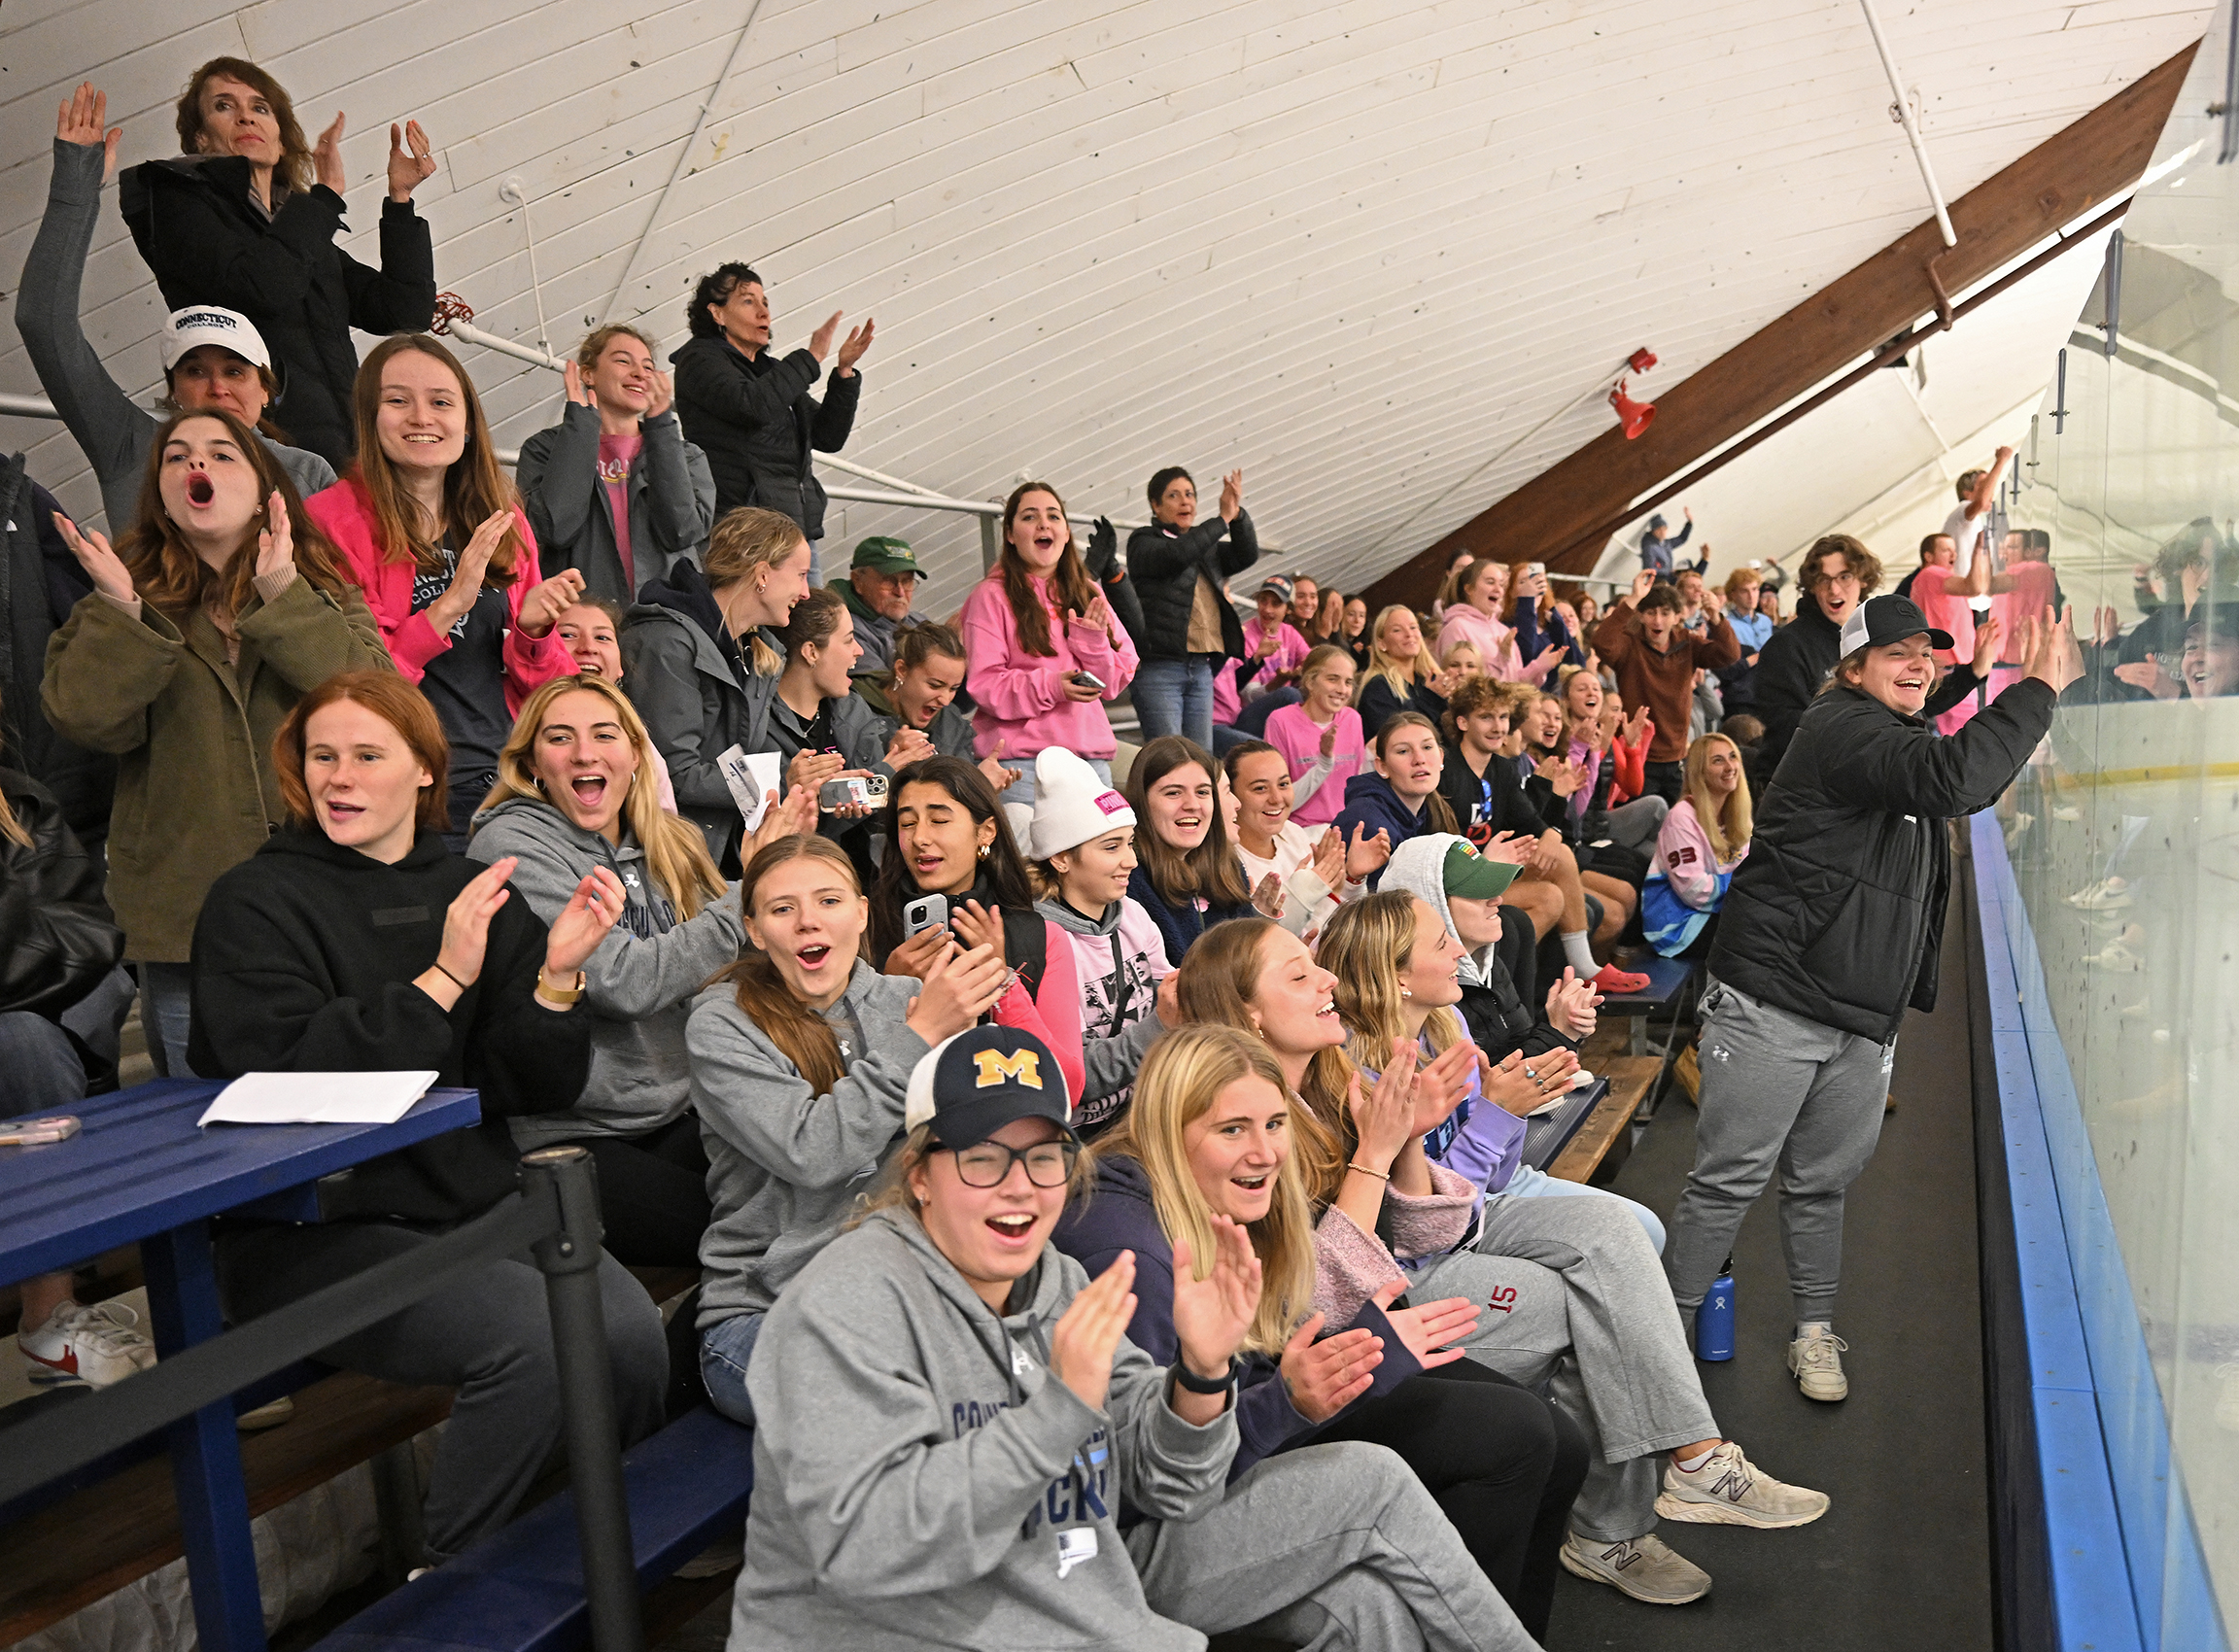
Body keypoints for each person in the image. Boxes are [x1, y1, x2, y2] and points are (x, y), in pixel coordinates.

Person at [733, 1021, 1541, 1652]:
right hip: (921, 1624)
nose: (1019, 1189)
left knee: (1362, 1608)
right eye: (983, 1159)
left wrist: (1199, 1375)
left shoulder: (1052, 1283)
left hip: (1077, 1576)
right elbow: (874, 1553)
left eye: (1044, 1157)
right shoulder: (844, 1307)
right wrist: (1057, 1413)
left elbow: (1172, 1489)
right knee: (1384, 1485)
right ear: (919, 1174)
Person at [1177, 916, 1825, 1608]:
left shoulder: (1345, 1075)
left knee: (1612, 1246)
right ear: (1245, 1011)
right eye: (1300, 975)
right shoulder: (1249, 1120)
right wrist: (1396, 1145)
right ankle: (1641, 1506)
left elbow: (1432, 1226)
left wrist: (1408, 1142)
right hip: (1341, 1337)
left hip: (1401, 1279)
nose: (1326, 979)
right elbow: (1318, 1300)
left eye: (1320, 967)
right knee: (1596, 1297)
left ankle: (1671, 1477)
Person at [188, 670, 664, 1569]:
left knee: (632, 1337)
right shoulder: (252, 902)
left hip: (473, 1202)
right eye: (322, 756)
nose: (340, 777)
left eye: (368, 755)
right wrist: (443, 980)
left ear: (422, 771)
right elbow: (288, 1071)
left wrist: (558, 980)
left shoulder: (472, 885)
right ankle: (453, 1585)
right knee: (536, 1345)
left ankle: (595, 1545)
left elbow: (532, 1084)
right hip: (315, 1227)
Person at [1667, 595, 2079, 1404]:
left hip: (1859, 1010)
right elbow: (1954, 778)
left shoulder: (1887, 725)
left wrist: (1971, 674)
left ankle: (1814, 1330)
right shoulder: (1840, 728)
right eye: (1897, 654)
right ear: (1852, 670)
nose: (1917, 665)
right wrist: (2037, 687)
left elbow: (1925, 734)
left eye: (1925, 652)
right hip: (1776, 1000)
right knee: (1729, 1181)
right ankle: (1656, 1345)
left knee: (1822, 1182)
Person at [1055, 1023, 1589, 1644]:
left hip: (1260, 1416)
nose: (1264, 1152)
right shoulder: (1126, 1255)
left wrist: (1356, 1352)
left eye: (1275, 1124)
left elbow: (1278, 1333)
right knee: (1506, 1438)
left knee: (1561, 1445)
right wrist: (1294, 1397)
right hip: (1161, 1519)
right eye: (1232, 1129)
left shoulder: (1230, 1189)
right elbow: (1153, 1479)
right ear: (1168, 1132)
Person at [43, 408, 388, 1077]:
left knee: (343, 1115)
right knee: (213, 1124)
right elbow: (83, 719)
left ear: (266, 490)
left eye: (222, 454)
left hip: (328, 906)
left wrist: (280, 592)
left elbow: (374, 704)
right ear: (163, 494)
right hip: (187, 924)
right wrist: (123, 614)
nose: (195, 465)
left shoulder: (320, 588)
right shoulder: (118, 600)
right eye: (177, 457)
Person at [689, 833, 1006, 1422]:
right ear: (755, 930)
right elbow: (812, 1152)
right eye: (783, 909)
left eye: (829, 901)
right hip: (771, 1312)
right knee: (921, 1408)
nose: (809, 922)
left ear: (862, 914)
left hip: (910, 1292)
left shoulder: (910, 999)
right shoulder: (721, 1024)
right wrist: (919, 1038)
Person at [466, 674, 770, 1266]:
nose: (585, 753)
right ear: (531, 764)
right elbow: (625, 983)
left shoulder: (668, 840)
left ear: (635, 756)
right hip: (572, 1136)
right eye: (560, 738)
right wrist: (749, 896)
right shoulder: (512, 849)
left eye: (605, 735)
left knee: (807, 1197)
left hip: (680, 1106)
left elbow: (730, 960)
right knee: (744, 1240)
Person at [23, 86, 337, 536]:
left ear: (266, 390)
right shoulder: (131, 447)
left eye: (235, 371)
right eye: (194, 371)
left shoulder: (308, 472)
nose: (216, 386)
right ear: (173, 391)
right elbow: (43, 322)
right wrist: (75, 189)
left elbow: (345, 595)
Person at [306, 334, 582, 843]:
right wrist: (450, 603)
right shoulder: (331, 521)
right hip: (403, 793)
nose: (421, 417)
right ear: (368, 418)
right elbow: (349, 684)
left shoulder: (504, 520)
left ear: (469, 422)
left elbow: (551, 690)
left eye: (440, 402)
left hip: (509, 785)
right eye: (397, 400)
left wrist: (534, 633)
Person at [119, 58, 437, 466]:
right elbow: (264, 288)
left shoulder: (300, 230)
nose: (246, 116)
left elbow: (404, 311)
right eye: (224, 106)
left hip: (350, 452)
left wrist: (400, 202)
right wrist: (324, 198)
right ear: (200, 138)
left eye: (260, 107)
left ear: (281, 141)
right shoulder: (174, 198)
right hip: (261, 454)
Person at [869, 754, 1169, 1109]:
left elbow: (1068, 1085)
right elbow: (852, 1079)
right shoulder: (866, 927)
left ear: (986, 831)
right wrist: (888, 991)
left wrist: (1002, 983)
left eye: (938, 820)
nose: (920, 838)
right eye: (906, 824)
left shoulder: (1040, 935)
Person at [2, 753, 142, 1391]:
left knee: (28, 1041)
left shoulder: (20, 803)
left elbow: (84, 934)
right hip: (28, 1001)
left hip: (29, 1015)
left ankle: (49, 1316)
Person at [621, 505, 813, 869]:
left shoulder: (756, 652)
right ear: (762, 575)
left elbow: (741, 757)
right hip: (667, 854)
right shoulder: (668, 643)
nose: (806, 592)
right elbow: (673, 773)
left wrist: (809, 777)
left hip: (718, 848)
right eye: (801, 575)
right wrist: (778, 781)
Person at [670, 262, 871, 573]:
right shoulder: (698, 360)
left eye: (765, 302)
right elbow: (753, 405)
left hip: (795, 534)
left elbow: (828, 437)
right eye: (748, 301)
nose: (764, 312)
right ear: (717, 313)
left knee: (811, 622)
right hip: (743, 535)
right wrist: (811, 357)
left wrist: (844, 374)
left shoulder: (769, 371)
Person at [1753, 534, 1989, 778]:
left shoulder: (1874, 639)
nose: (1834, 589)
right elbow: (1788, 728)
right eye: (1823, 579)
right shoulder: (1786, 646)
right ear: (1812, 587)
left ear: (1863, 580)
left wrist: (1973, 672)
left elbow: (1918, 700)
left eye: (1844, 577)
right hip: (1809, 791)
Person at [1025, 748, 1174, 1135]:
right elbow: (1078, 1078)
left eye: (1129, 843)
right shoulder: (1038, 944)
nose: (1131, 861)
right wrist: (1163, 1023)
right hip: (1083, 1138)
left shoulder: (1133, 914)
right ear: (1060, 859)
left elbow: (1170, 991)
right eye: (1112, 847)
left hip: (1145, 1116)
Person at [959, 482, 1136, 807]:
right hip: (1023, 768)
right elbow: (985, 685)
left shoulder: (1089, 591)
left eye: (1053, 516)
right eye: (1029, 517)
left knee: (1106, 854)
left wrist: (1094, 644)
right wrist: (1053, 686)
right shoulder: (989, 596)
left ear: (1066, 532)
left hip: (1091, 762)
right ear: (1010, 535)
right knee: (1032, 858)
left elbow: (1115, 681)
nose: (1043, 524)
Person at [514, 325, 715, 604]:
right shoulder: (544, 449)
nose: (639, 373)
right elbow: (555, 529)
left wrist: (661, 426)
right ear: (588, 374)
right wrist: (580, 427)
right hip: (581, 622)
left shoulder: (687, 455)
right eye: (623, 360)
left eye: (648, 367)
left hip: (664, 624)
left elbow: (680, 532)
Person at [1128, 466, 1259, 747]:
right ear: (1155, 505)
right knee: (1169, 758)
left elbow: (1246, 554)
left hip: (1200, 667)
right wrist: (1221, 519)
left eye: (1189, 494)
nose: (1185, 501)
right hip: (1159, 668)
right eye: (1173, 495)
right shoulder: (1143, 542)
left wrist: (1236, 515)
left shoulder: (1205, 549)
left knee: (1200, 759)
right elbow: (1177, 555)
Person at [1593, 569, 1740, 803]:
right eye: (1650, 612)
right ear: (1640, 616)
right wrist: (1632, 599)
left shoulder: (1687, 642)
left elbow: (1729, 654)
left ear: (1676, 616)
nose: (1657, 620)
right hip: (1638, 755)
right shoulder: (1629, 645)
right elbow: (1602, 642)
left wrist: (1716, 618)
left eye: (1665, 613)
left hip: (1678, 756)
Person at [1224, 739, 1388, 936]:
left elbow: (1327, 929)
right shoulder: (1228, 864)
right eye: (1260, 788)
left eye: (1284, 784)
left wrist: (1350, 879)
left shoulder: (1292, 833)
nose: (1277, 798)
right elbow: (1262, 947)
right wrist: (1306, 893)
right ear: (1232, 796)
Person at [1122, 737, 1257, 962]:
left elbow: (1250, 962)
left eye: (1203, 792)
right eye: (1173, 793)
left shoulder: (1228, 865)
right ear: (1142, 802)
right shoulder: (1129, 877)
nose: (1192, 805)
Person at [854, 622, 1014, 788]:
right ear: (902, 670)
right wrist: (888, 757)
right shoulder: (852, 710)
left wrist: (980, 785)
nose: (945, 700)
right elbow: (849, 796)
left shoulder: (953, 724)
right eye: (935, 685)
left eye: (954, 689)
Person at [1641, 733, 1750, 959]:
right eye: (1717, 760)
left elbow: (1750, 869)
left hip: (1717, 913)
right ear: (1699, 772)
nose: (1730, 766)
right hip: (1678, 925)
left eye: (1733, 757)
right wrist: (1745, 885)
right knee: (1760, 936)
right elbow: (1694, 890)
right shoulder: (1682, 817)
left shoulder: (1737, 816)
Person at [1262, 643, 1367, 830]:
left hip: (1346, 826)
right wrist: (1323, 764)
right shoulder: (1280, 721)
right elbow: (1279, 802)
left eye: (1348, 682)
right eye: (1333, 679)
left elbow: (1357, 786)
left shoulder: (1353, 719)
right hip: (1300, 830)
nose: (1342, 690)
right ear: (1310, 682)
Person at [1213, 572, 1310, 736]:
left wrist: (1306, 672)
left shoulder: (1290, 633)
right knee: (1289, 694)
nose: (1267, 609)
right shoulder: (1244, 635)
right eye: (1263, 600)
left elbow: (1313, 661)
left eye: (1276, 603)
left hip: (1263, 715)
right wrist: (1279, 681)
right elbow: (1249, 695)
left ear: (1288, 609)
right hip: (1244, 716)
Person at [827, 534, 922, 675]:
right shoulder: (847, 629)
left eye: (907, 581)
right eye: (889, 581)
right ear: (858, 581)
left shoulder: (919, 621)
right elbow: (880, 692)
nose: (900, 592)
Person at [1356, 604, 1451, 740]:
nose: (1409, 634)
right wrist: (1431, 699)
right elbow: (1399, 740)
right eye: (1397, 630)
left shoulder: (1428, 680)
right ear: (1381, 643)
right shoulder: (1377, 688)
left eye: (1413, 627)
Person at [1437, 558, 1526, 683]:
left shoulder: (1504, 630)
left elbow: (1517, 680)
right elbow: (1458, 682)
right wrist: (1501, 659)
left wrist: (1540, 666)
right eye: (1490, 582)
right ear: (1469, 589)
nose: (1498, 589)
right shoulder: (1457, 627)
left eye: (1501, 584)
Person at [1941, 448, 2015, 579]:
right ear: (1967, 493)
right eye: (1985, 485)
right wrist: (2001, 461)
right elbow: (1981, 502)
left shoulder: (1981, 521)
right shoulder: (1962, 510)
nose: (1991, 490)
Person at [1508, 562, 1583, 676]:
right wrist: (1527, 602)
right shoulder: (1507, 626)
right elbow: (1527, 653)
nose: (1531, 586)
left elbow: (1576, 663)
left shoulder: (1550, 624)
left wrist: (1557, 622)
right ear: (1511, 591)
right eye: (1523, 582)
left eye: (1536, 581)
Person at [1717, 567, 1772, 717]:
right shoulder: (1726, 626)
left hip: (1768, 695)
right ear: (1733, 594)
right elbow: (1724, 670)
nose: (1751, 596)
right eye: (1744, 591)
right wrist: (1754, 659)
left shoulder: (1765, 621)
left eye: (1755, 589)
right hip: (1741, 698)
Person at [1892, 532, 1951, 603]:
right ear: (1928, 557)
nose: (1953, 555)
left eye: (1954, 551)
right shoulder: (1916, 582)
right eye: (1946, 551)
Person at [1636, 509, 1695, 576]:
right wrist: (1669, 572)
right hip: (1660, 580)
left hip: (1668, 576)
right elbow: (1649, 569)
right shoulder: (1650, 548)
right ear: (1653, 531)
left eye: (1664, 529)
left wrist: (1689, 523)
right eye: (1659, 529)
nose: (1662, 532)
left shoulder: (1666, 544)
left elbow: (1681, 539)